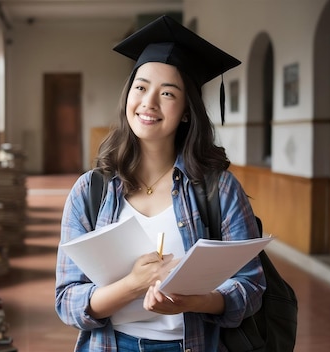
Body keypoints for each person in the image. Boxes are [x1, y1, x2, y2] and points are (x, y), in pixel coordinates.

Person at [55, 15, 265, 352]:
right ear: (128, 95)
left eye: (167, 93)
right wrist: (134, 285)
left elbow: (250, 289)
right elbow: (67, 302)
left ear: (185, 110)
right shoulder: (90, 191)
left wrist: (193, 301)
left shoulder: (220, 189)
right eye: (141, 87)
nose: (148, 103)